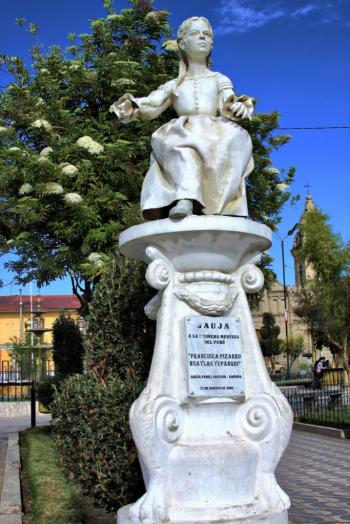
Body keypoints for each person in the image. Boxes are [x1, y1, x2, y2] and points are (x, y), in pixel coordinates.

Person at [110, 16, 254, 220]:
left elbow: (228, 103)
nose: (202, 38)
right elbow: (154, 103)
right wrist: (134, 105)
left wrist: (238, 106)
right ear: (182, 43)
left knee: (236, 139)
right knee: (177, 146)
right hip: (183, 129)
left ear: (212, 43)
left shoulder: (219, 78)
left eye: (207, 34)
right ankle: (185, 198)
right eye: (195, 34)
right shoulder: (174, 84)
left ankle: (226, 206)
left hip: (215, 130)